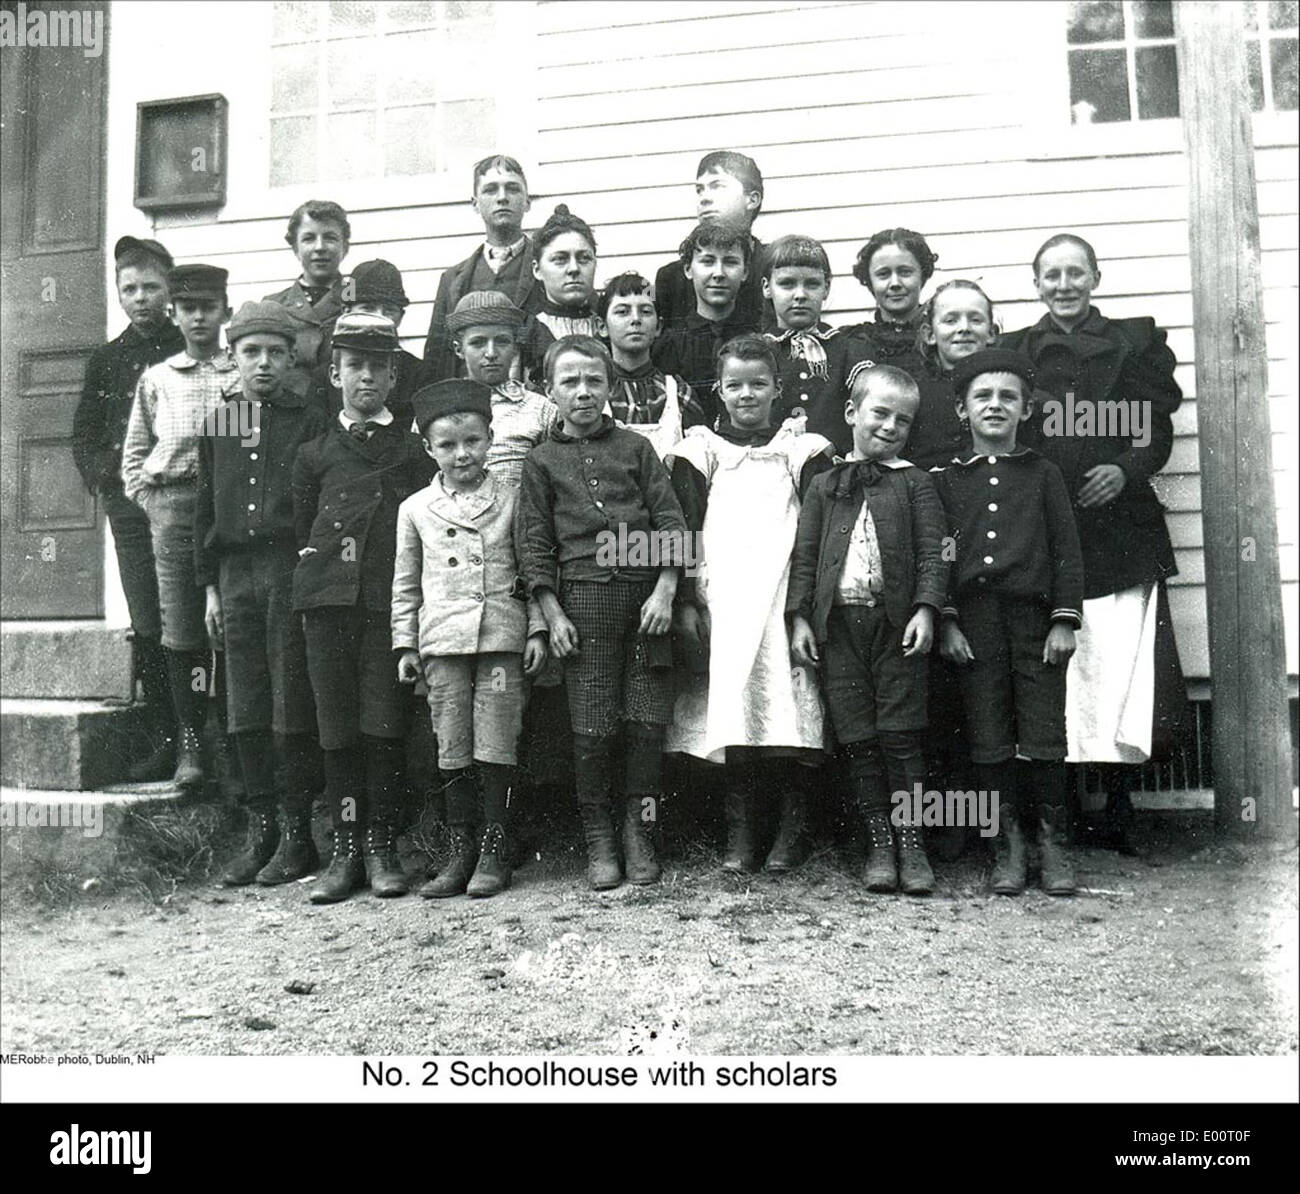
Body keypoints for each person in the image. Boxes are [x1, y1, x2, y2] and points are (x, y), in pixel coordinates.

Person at [1003, 233, 1187, 853]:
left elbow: (1152, 434)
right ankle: (1067, 804)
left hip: (1118, 528)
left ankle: (1117, 803)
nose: (1063, 284)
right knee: (1066, 663)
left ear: (1096, 278)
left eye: (1075, 273)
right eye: (1051, 274)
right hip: (1050, 527)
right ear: (1036, 284)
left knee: (1117, 666)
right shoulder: (1017, 353)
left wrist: (1125, 470)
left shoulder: (1133, 346)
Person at [516, 335, 687, 890]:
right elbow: (534, 543)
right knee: (592, 729)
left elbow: (672, 525)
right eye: (570, 382)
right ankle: (599, 839)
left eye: (594, 381)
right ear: (551, 391)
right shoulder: (542, 461)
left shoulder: (637, 448)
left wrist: (664, 591)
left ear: (610, 387)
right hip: (582, 604)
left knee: (645, 722)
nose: (583, 392)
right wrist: (551, 611)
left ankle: (640, 833)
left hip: (646, 606)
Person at [666, 334, 835, 872]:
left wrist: (805, 606)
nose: (746, 395)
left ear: (778, 389)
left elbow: (819, 527)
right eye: (734, 385)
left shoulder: (802, 450)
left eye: (758, 384)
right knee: (736, 711)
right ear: (718, 389)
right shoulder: (701, 451)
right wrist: (687, 600)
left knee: (790, 710)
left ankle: (791, 829)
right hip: (727, 602)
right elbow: (683, 526)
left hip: (784, 595)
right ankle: (741, 832)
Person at [291, 313, 435, 903]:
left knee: (383, 726)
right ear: (334, 374)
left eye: (378, 366)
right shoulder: (313, 454)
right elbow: (303, 531)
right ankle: (344, 848)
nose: (366, 377)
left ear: (394, 376)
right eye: (355, 365)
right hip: (327, 607)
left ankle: (381, 844)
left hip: (384, 608)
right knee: (337, 730)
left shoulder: (411, 451)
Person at [787, 365, 948, 894]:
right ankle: (879, 843)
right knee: (857, 736)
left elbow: (935, 552)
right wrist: (801, 619)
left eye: (903, 420)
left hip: (896, 626)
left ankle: (912, 843)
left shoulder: (916, 483)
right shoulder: (824, 485)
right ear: (852, 413)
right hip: (839, 630)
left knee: (901, 736)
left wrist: (927, 609)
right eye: (879, 413)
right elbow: (805, 557)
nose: (890, 427)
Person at [933, 349, 1084, 896]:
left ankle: (1052, 844)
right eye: (983, 397)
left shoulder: (1043, 474)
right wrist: (947, 620)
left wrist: (1064, 621)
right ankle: (1008, 847)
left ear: (1025, 410)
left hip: (1036, 621)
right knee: (988, 735)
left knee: (1044, 734)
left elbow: (1066, 551)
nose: (994, 406)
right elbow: (943, 553)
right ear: (962, 410)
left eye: (1007, 397)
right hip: (975, 622)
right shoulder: (947, 480)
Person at [392, 380, 549, 898]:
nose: (462, 454)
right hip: (443, 643)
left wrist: (538, 628)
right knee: (452, 740)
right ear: (428, 449)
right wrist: (406, 644)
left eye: (473, 442)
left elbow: (531, 568)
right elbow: (406, 581)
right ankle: (460, 849)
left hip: (501, 638)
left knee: (496, 739)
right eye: (448, 445)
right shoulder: (416, 508)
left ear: (490, 438)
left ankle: (494, 847)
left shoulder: (511, 499)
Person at [195, 302, 327, 886]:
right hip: (233, 573)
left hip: (285, 569)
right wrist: (210, 589)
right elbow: (205, 504)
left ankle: (299, 836)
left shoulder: (306, 416)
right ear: (233, 356)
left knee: (287, 696)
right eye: (252, 352)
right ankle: (262, 828)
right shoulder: (220, 420)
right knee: (243, 700)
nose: (264, 364)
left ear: (291, 356)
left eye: (276, 351)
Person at [121, 264, 241, 791]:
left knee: (230, 622)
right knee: (182, 627)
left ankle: (229, 738)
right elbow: (134, 460)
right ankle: (191, 741)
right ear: (174, 313)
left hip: (227, 509)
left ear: (224, 312)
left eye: (208, 307)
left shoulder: (236, 378)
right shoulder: (160, 379)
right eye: (188, 308)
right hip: (173, 509)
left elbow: (242, 455)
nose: (198, 317)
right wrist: (157, 506)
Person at [72, 235, 184, 781]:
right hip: (132, 515)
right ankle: (165, 737)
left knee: (187, 617)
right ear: (118, 294)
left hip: (184, 510)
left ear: (170, 290)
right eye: (130, 289)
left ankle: (199, 739)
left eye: (151, 288)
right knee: (147, 619)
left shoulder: (189, 351)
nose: (141, 298)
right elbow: (85, 435)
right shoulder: (107, 360)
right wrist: (109, 479)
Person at [422, 154, 542, 381]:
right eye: (490, 190)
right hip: (468, 406)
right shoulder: (452, 279)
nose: (502, 198)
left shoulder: (547, 268)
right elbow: (436, 362)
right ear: (475, 203)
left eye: (513, 189)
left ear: (527, 202)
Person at [760, 234, 876, 454]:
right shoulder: (757, 352)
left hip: (833, 470)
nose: (800, 295)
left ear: (826, 288)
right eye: (787, 284)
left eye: (812, 284)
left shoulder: (848, 349)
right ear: (767, 288)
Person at [444, 290, 557, 490]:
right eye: (478, 343)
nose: (490, 353)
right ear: (458, 349)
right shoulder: (438, 407)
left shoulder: (542, 410)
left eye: (502, 341)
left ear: (515, 347)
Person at [652, 218, 756, 424]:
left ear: (745, 272)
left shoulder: (758, 337)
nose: (718, 273)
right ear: (688, 269)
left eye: (730, 262)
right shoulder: (669, 345)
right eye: (707, 261)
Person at [595, 270, 708, 458]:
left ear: (658, 327)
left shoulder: (677, 391)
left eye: (646, 311)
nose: (635, 319)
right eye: (622, 312)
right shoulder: (596, 391)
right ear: (602, 326)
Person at [654, 150, 768, 331]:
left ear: (752, 199)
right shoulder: (670, 278)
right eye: (700, 190)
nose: (704, 198)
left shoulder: (774, 267)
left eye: (717, 186)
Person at [308, 258, 424, 429]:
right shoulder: (324, 376)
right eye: (368, 308)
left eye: (389, 311)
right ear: (346, 312)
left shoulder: (418, 373)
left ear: (400, 317)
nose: (378, 317)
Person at [907, 279, 999, 470]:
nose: (964, 328)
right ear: (929, 334)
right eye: (950, 320)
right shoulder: (913, 393)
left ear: (991, 333)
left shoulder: (1006, 391)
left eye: (975, 320)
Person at [263, 199, 350, 396]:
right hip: (292, 413)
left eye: (330, 238)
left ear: (345, 247)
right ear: (295, 248)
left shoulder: (357, 295)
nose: (320, 247)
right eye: (309, 238)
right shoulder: (273, 305)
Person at [841, 227, 938, 378]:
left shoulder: (940, 338)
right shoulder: (853, 341)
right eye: (883, 274)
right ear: (869, 281)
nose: (895, 283)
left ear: (922, 275)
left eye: (905, 272)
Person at [520, 204, 601, 381]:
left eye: (584, 258)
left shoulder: (610, 326)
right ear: (537, 270)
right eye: (560, 259)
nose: (574, 268)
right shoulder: (526, 331)